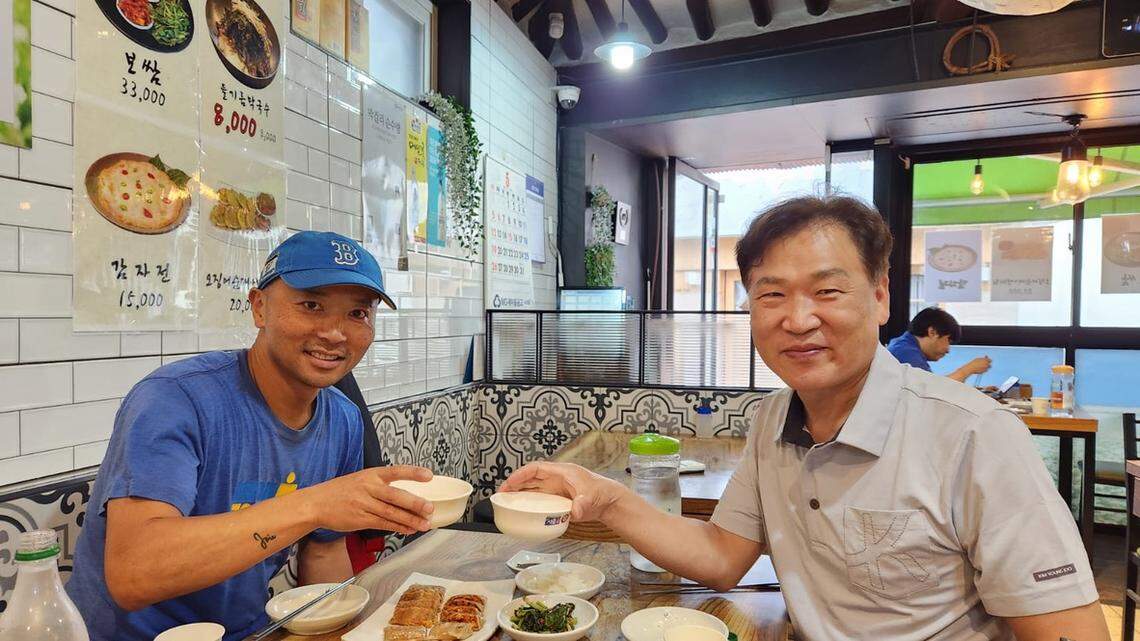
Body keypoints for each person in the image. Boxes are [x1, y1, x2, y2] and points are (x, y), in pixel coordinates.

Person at [500, 197, 1107, 641]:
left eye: (827, 291)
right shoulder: (773, 420)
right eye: (771, 294)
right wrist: (603, 500)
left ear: (879, 296)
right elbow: (721, 556)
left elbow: (1070, 630)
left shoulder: (976, 434)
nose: (797, 319)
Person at [66, 231, 436, 641]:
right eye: (312, 305)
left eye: (357, 314)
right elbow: (135, 573)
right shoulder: (176, 399)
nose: (335, 333)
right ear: (259, 307)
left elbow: (324, 552)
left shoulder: (343, 420)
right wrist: (313, 504)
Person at [888, 307, 992, 382]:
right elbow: (933, 391)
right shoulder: (906, 353)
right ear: (932, 332)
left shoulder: (903, 345)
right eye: (948, 341)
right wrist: (968, 369)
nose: (948, 350)